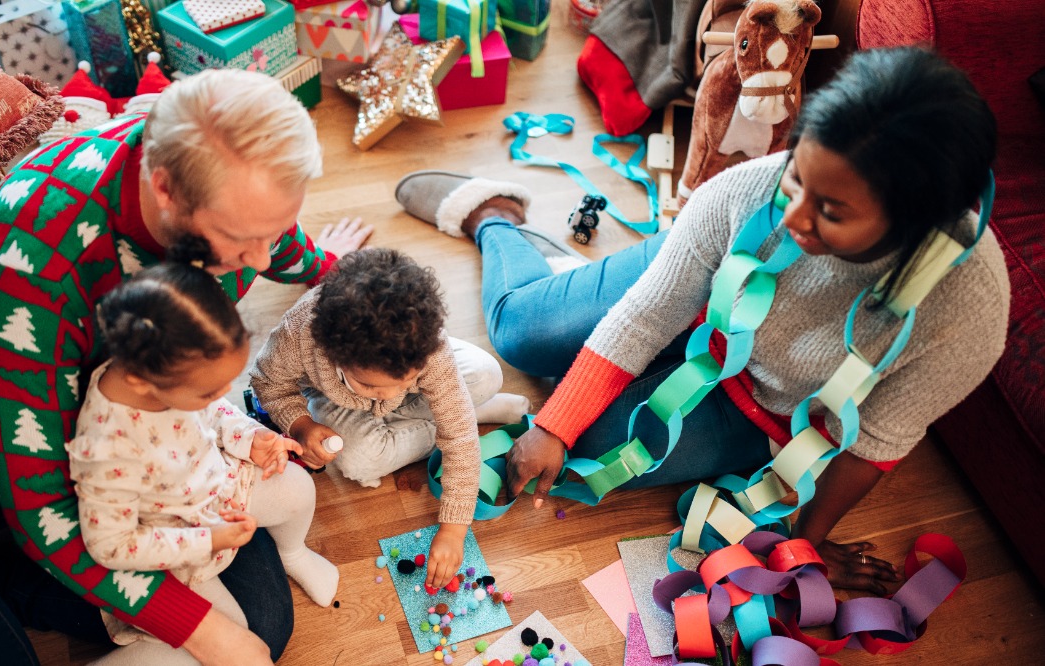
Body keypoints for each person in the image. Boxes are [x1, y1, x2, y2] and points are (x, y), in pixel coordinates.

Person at [395, 47, 1008, 594]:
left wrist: (809, 541)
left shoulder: (966, 312)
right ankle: (493, 216)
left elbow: (875, 442)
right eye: (796, 177)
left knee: (591, 456)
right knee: (520, 335)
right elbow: (646, 314)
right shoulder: (745, 194)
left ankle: (574, 285)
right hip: (688, 298)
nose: (792, 216)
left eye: (830, 211)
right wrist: (553, 423)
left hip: (762, 406)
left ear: (913, 223)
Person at [0, 68, 372, 666]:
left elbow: (280, 246)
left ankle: (3, 588)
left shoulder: (229, 200)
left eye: (274, 229)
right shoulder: (31, 248)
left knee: (262, 624)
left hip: (168, 426)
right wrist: (203, 632)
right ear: (164, 190)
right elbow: (40, 504)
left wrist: (339, 274)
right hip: (7, 407)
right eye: (241, 238)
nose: (259, 259)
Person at [68, 239, 338, 665]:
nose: (219, 394)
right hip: (175, 546)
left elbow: (216, 411)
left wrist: (251, 437)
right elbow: (112, 547)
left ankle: (293, 553)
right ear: (142, 381)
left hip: (216, 487)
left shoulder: (172, 373)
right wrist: (206, 539)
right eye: (207, 389)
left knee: (297, 489)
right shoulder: (107, 446)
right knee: (233, 640)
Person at [252, 248, 496, 589]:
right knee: (359, 462)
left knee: (487, 375)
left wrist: (455, 529)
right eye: (370, 385)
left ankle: (461, 411)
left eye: (406, 380)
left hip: (420, 380)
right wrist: (300, 424)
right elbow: (268, 382)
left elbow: (460, 442)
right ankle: (471, 412)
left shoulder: (429, 351)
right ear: (336, 355)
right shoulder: (299, 335)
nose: (387, 395)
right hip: (331, 399)